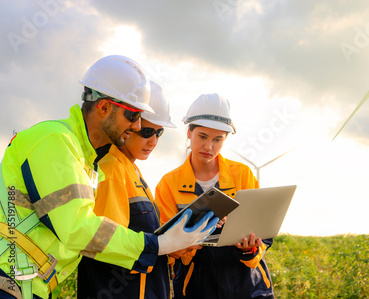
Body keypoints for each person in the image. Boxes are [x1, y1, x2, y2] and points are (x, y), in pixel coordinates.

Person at [0, 55, 217, 299]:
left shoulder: (87, 160)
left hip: (26, 286)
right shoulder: (55, 140)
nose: (136, 127)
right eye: (134, 117)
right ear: (104, 108)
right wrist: (159, 245)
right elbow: (77, 229)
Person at [155, 93, 275, 299]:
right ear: (189, 132)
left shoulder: (243, 175)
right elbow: (166, 249)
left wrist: (249, 249)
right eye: (202, 136)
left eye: (218, 139)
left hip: (250, 289)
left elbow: (263, 236)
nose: (209, 147)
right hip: (197, 290)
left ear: (225, 139)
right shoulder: (168, 184)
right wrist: (192, 240)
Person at [77, 81, 186, 299]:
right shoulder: (112, 169)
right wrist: (162, 246)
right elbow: (110, 250)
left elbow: (141, 239)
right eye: (146, 131)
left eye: (159, 133)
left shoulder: (131, 169)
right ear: (130, 125)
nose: (153, 141)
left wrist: (174, 246)